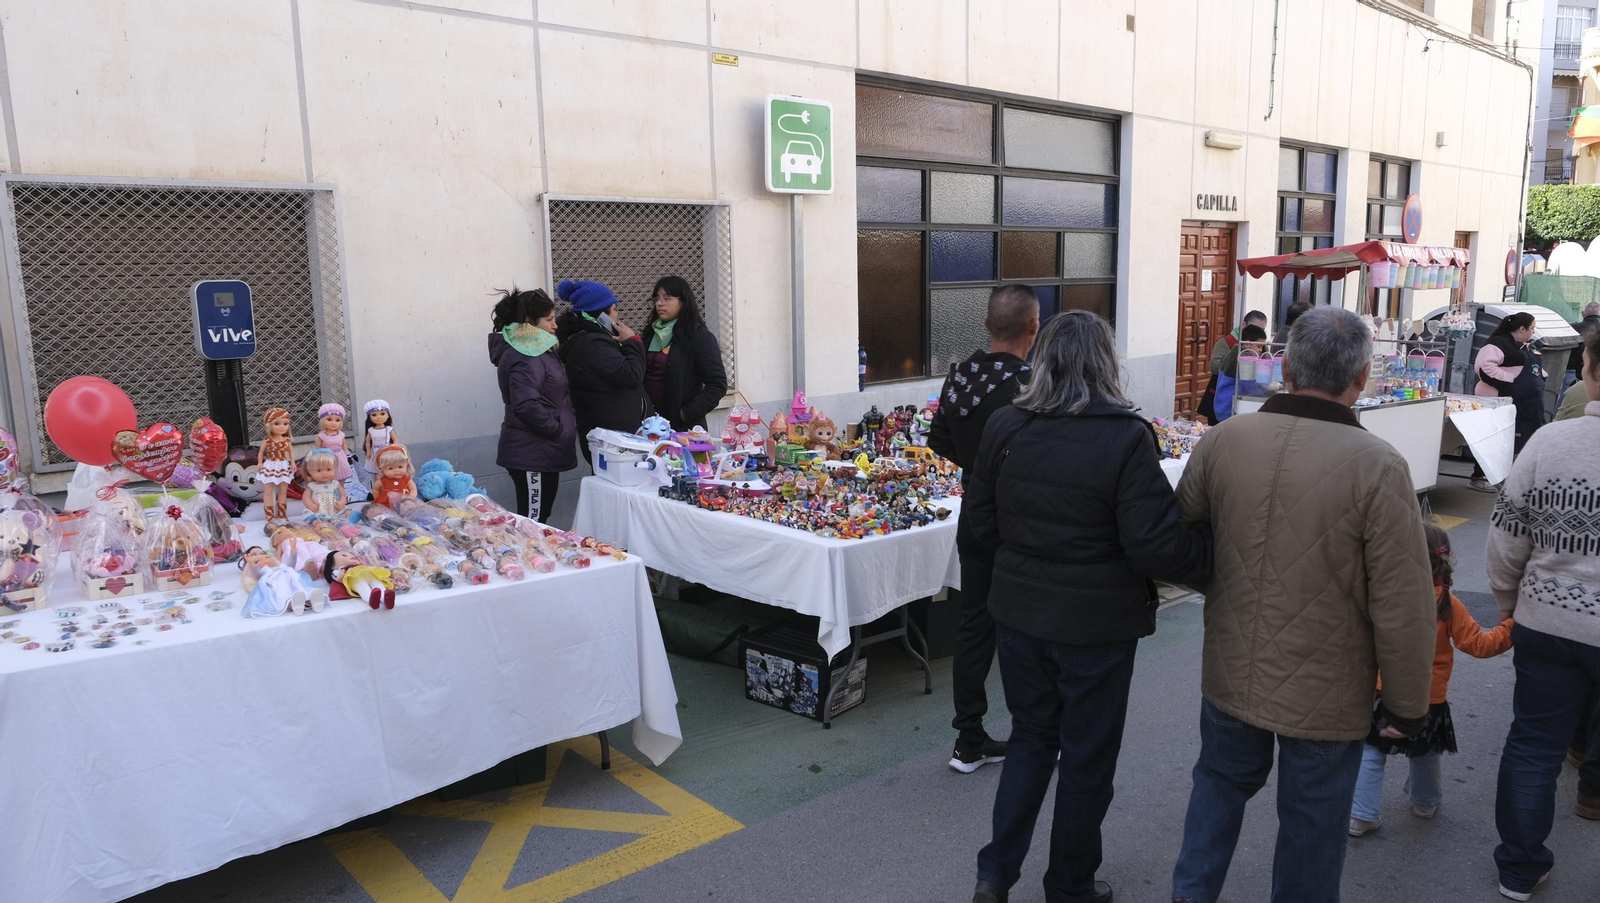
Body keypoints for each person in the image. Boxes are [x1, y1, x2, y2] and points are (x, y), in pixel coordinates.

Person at [1170, 307, 1437, 903]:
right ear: (1362, 377)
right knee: (1313, 828)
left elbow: (1182, 537)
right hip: (1328, 686)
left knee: (1215, 791)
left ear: (1284, 368)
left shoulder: (1225, 440)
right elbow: (1404, 604)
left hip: (1231, 667)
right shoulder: (1379, 466)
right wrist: (1407, 705)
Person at [964, 310, 1212, 903]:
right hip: (1096, 628)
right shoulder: (1124, 436)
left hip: (1021, 614)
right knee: (1086, 758)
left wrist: (1022, 566)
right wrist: (1210, 557)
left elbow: (978, 528)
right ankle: (1069, 884)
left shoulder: (1007, 425)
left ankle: (995, 874)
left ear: (1042, 359)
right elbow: (1152, 544)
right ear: (1106, 364)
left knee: (1030, 738)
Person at [1489, 325, 1600, 901]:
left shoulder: (1549, 444)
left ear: (1589, 369)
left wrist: (1510, 606)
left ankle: (1518, 868)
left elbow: (1506, 537)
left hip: (1546, 620)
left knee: (1534, 744)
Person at [927, 284, 1039, 774]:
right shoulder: (1032, 382)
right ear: (1033, 329)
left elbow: (938, 439)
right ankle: (1033, 734)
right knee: (1028, 628)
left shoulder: (960, 375)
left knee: (975, 628)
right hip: (1019, 519)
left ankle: (968, 739)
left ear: (987, 326)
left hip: (974, 511)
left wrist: (977, 467)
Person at [1348, 521, 1513, 836]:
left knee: (1372, 751)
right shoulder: (1448, 604)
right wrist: (1512, 626)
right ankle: (1424, 802)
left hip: (1384, 692)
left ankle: (1361, 815)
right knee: (1425, 752)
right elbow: (1479, 645)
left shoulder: (1386, 595)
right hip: (1428, 698)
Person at [489, 287, 575, 522]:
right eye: (549, 320)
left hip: (541, 451)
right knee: (532, 521)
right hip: (533, 452)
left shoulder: (536, 350)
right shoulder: (526, 354)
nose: (554, 326)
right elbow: (526, 405)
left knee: (537, 518)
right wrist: (557, 428)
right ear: (529, 322)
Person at [553, 279, 653, 463]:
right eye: (614, 309)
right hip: (614, 443)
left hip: (615, 439)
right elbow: (631, 375)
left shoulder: (592, 341)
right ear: (601, 316)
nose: (617, 315)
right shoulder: (592, 344)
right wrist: (632, 341)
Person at [643, 275, 727, 432]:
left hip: (682, 428)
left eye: (667, 298)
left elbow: (717, 384)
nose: (659, 304)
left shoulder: (699, 337)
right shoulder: (651, 334)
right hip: (651, 426)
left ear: (683, 301)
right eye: (657, 299)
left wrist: (685, 414)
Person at [1470, 312, 1540, 491]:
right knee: (1491, 439)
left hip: (1511, 400)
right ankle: (1480, 476)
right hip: (1493, 399)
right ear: (1522, 328)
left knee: (1506, 441)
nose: (1534, 331)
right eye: (1532, 328)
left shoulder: (1520, 345)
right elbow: (1484, 368)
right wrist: (1512, 380)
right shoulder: (1497, 344)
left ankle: (1501, 476)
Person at [1198, 310, 1266, 423]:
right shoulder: (1237, 352)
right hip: (1227, 406)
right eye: (1259, 347)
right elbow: (1249, 383)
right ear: (1244, 325)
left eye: (1262, 329)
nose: (1261, 350)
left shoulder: (1242, 350)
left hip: (1224, 405)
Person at [1558, 300, 1599, 401]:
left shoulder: (1572, 328)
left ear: (1583, 314)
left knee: (1566, 400)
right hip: (1594, 373)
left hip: (1571, 370)